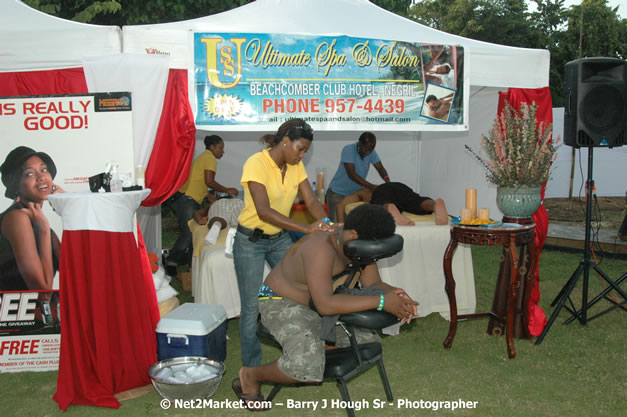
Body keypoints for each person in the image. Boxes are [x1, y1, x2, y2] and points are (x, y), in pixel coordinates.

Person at [232, 204, 418, 411]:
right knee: (305, 364)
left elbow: (373, 285)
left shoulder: (360, 246)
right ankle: (250, 375)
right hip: (280, 302)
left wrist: (397, 295)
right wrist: (383, 301)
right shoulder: (320, 247)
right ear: (354, 235)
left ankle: (319, 342)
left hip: (318, 305)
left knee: (368, 340)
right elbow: (325, 305)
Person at [234, 119, 332, 369]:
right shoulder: (256, 163)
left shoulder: (295, 166)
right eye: (300, 149)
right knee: (251, 307)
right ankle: (251, 371)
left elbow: (310, 201)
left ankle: (304, 350)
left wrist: (327, 223)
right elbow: (264, 211)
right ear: (285, 142)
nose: (302, 155)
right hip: (251, 241)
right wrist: (308, 228)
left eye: (306, 151)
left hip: (279, 239)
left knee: (306, 290)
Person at [166, 134, 238, 267]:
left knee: (193, 231)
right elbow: (209, 181)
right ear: (212, 147)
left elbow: (197, 179)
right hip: (187, 199)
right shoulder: (210, 158)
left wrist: (206, 194)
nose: (223, 151)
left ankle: (191, 262)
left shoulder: (203, 157)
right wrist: (227, 190)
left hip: (187, 197)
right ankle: (172, 261)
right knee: (189, 232)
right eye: (220, 148)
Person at [0, 146, 64, 291]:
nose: (41, 177)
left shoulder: (37, 221)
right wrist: (43, 230)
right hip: (18, 312)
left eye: (44, 170)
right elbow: (43, 293)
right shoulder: (17, 218)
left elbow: (76, 274)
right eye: (29, 174)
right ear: (15, 184)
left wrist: (68, 207)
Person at [326, 132, 390, 222]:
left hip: (353, 195)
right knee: (336, 226)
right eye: (365, 149)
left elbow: (380, 168)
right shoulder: (348, 150)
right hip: (336, 193)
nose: (367, 153)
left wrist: (387, 181)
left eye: (370, 151)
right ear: (359, 143)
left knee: (351, 225)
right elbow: (352, 174)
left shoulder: (370, 151)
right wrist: (371, 186)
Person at [336, 182, 449, 226]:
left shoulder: (364, 192)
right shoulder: (382, 185)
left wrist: (341, 225)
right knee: (416, 202)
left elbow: (340, 205)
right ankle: (434, 204)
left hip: (383, 191)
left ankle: (388, 207)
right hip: (400, 186)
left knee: (379, 206)